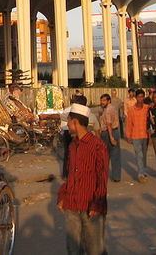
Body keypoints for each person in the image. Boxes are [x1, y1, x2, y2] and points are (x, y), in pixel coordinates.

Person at [57, 103, 108, 255]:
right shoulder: (73, 145)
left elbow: (102, 177)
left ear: (75, 122)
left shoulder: (98, 145)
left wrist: (97, 204)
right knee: (73, 249)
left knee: (95, 250)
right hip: (72, 204)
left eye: (69, 121)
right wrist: (63, 195)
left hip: (91, 206)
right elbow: (71, 174)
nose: (67, 125)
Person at [126, 89, 150, 183]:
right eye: (139, 97)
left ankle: (143, 171)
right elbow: (129, 123)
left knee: (144, 155)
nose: (140, 99)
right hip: (135, 135)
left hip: (145, 135)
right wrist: (128, 135)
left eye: (142, 97)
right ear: (136, 98)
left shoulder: (147, 108)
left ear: (144, 97)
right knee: (139, 155)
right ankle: (140, 174)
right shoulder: (131, 110)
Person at [99, 94, 121, 182]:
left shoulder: (108, 110)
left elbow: (109, 124)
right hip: (112, 131)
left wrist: (111, 137)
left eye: (104, 100)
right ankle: (116, 176)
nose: (102, 102)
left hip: (110, 132)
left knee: (107, 155)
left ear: (109, 101)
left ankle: (105, 175)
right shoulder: (110, 108)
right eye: (101, 100)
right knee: (114, 155)